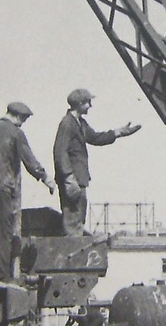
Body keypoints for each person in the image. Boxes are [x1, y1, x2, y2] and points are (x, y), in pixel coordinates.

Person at [0, 101, 54, 282]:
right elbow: (29, 160)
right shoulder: (16, 133)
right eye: (23, 120)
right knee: (0, 234)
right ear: (18, 117)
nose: (22, 124)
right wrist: (46, 178)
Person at [52, 88, 141, 236]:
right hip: (72, 179)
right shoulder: (67, 124)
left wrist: (118, 132)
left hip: (78, 178)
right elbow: (59, 152)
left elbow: (95, 138)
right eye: (88, 102)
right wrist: (68, 178)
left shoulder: (80, 123)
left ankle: (76, 244)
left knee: (78, 218)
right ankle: (73, 247)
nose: (90, 106)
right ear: (80, 104)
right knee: (73, 219)